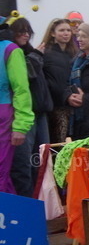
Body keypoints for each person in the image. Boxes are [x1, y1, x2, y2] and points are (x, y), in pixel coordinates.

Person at [7, 17, 51, 196]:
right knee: (24, 163)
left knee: (42, 162)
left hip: (40, 114)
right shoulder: (13, 53)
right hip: (24, 116)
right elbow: (26, 75)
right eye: (21, 31)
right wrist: (37, 56)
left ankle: (42, 202)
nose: (25, 34)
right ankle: (28, 202)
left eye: (27, 31)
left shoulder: (29, 52)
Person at [0, 15, 32, 195]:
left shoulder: (10, 49)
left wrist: (21, 125)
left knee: (1, 174)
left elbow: (21, 90)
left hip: (3, 117)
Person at [41, 18, 77, 142]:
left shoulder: (73, 53)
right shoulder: (47, 53)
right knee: (58, 143)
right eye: (61, 30)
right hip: (56, 106)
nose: (66, 33)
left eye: (68, 30)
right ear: (52, 33)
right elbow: (53, 82)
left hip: (71, 105)